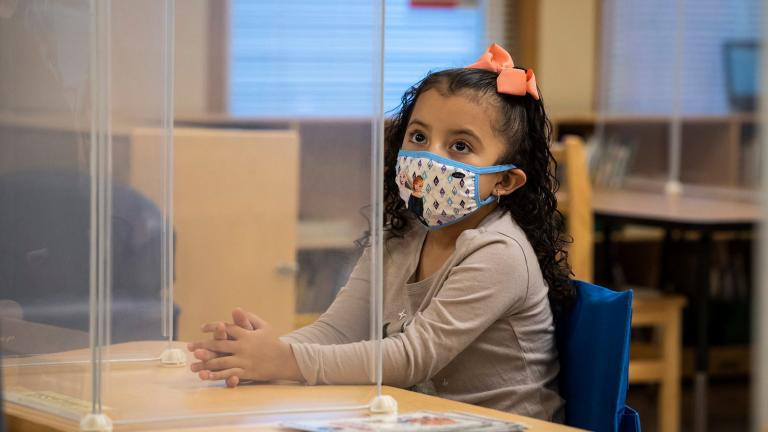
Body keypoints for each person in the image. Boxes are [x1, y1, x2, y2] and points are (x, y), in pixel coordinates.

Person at [186, 43, 574, 422]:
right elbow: (338, 330)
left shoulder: (499, 252)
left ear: (505, 180)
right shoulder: (402, 234)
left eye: (459, 145)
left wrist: (284, 361)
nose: (428, 158)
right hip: (424, 418)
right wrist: (261, 355)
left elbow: (411, 357)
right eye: (419, 137)